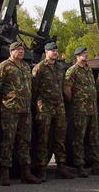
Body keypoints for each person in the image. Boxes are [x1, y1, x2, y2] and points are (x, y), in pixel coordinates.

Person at [0, 40, 41, 186]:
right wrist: (6, 101)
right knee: (8, 141)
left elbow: (30, 86)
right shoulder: (4, 67)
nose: (21, 51)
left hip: (25, 110)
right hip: (10, 110)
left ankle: (26, 172)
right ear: (11, 52)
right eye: (17, 49)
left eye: (22, 49)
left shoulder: (25, 66)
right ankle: (5, 173)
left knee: (25, 141)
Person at [31, 42, 75, 180]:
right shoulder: (39, 68)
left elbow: (63, 85)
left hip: (59, 106)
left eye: (56, 50)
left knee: (60, 138)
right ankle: (42, 168)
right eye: (52, 50)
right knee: (43, 139)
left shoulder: (60, 67)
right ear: (46, 52)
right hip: (45, 107)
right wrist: (40, 103)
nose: (55, 52)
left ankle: (61, 167)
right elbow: (34, 89)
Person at [64, 46, 99, 177]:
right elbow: (67, 89)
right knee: (79, 139)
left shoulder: (88, 69)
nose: (86, 55)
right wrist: (75, 102)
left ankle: (95, 166)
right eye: (83, 54)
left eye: (86, 53)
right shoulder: (72, 70)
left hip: (92, 110)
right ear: (77, 56)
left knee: (93, 138)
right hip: (80, 110)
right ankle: (80, 166)